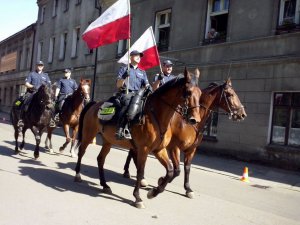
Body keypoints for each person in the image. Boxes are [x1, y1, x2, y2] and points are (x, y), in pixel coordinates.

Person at [115, 50, 150, 140]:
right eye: (136, 55)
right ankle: (121, 128)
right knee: (128, 103)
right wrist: (124, 77)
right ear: (131, 57)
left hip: (138, 95)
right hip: (126, 93)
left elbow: (146, 84)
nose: (139, 57)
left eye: (140, 56)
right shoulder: (124, 69)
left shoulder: (142, 72)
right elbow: (118, 85)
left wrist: (149, 88)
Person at [17, 61, 52, 127]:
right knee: (24, 102)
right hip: (32, 92)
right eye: (39, 65)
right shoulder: (31, 74)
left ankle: (51, 120)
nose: (40, 66)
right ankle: (21, 119)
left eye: (41, 65)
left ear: (43, 67)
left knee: (50, 104)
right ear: (36, 66)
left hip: (42, 94)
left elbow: (49, 85)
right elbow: (26, 83)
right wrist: (33, 86)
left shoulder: (45, 75)